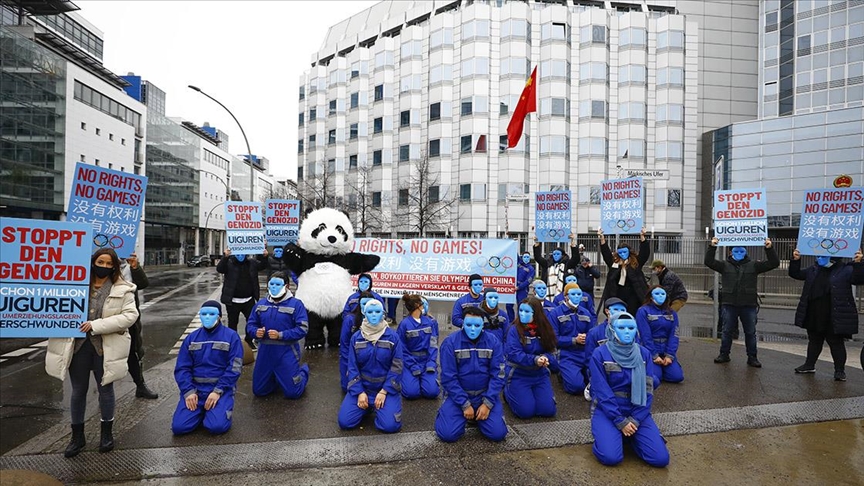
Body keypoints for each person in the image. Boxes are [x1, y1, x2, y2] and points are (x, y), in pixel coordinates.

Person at [46, 248, 138, 457]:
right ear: (92, 262)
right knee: (78, 392)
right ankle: (77, 437)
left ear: (115, 266)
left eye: (109, 264)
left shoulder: (123, 289)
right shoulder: (73, 284)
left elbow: (129, 316)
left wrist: (97, 325)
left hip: (105, 349)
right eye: (100, 262)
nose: (104, 267)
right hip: (77, 347)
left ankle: (106, 434)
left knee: (105, 390)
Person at [589, 313, 668, 468]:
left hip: (636, 409)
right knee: (611, 458)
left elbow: (648, 391)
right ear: (611, 329)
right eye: (621, 327)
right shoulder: (600, 354)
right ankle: (607, 437)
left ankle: (629, 437)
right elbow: (602, 392)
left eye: (631, 328)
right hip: (608, 410)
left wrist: (636, 419)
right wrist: (619, 420)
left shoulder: (644, 353)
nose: (627, 331)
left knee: (661, 459)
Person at [789, 249, 864, 381]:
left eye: (823, 256)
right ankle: (809, 365)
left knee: (836, 343)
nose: (819, 258)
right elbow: (796, 274)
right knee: (814, 340)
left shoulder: (845, 269)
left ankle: (840, 371)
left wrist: (858, 262)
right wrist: (796, 260)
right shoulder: (814, 269)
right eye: (818, 255)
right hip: (814, 312)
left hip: (834, 314)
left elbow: (858, 279)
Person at [435, 307, 507, 443]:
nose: (473, 329)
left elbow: (498, 375)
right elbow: (448, 378)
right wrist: (464, 404)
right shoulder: (450, 343)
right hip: (459, 396)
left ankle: (479, 416)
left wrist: (488, 403)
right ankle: (450, 414)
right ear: (462, 323)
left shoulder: (493, 342)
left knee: (498, 434)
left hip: (484, 395)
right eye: (468, 325)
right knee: (447, 435)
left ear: (483, 325)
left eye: (477, 325)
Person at [172, 301, 243, 435]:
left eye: (212, 314)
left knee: (216, 428)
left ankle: (217, 411)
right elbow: (182, 368)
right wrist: (188, 392)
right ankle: (203, 413)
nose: (207, 317)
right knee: (179, 428)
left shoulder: (231, 337)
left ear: (219, 316)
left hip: (219, 390)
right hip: (195, 391)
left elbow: (234, 368)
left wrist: (218, 391)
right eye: (204, 314)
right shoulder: (191, 338)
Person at [705, 238, 779, 367]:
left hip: (748, 304)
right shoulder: (724, 265)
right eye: (736, 250)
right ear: (730, 252)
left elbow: (774, 263)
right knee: (727, 331)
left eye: (741, 250)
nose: (739, 252)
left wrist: (769, 248)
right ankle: (724, 354)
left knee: (750, 332)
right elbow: (709, 261)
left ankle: (752, 357)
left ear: (746, 251)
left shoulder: (754, 265)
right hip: (729, 304)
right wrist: (712, 247)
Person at [339, 299, 403, 433]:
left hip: (385, 389)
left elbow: (397, 367)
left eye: (377, 311)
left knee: (390, 426)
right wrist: (360, 392)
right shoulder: (356, 338)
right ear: (364, 313)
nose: (374, 315)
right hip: (363, 388)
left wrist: (385, 391)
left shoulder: (393, 337)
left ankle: (381, 408)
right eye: (370, 312)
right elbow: (352, 367)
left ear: (383, 314)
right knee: (345, 423)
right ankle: (367, 407)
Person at [246, 272, 310, 398]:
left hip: (286, 351)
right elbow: (250, 324)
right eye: (272, 284)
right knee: (259, 391)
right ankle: (276, 377)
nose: (274, 287)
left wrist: (281, 335)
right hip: (265, 352)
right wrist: (255, 332)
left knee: (293, 393)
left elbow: (303, 328)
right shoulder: (260, 304)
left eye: (278, 284)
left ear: (286, 286)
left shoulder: (296, 304)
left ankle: (303, 372)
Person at [503, 298, 558, 419]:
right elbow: (514, 354)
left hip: (540, 374)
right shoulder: (514, 330)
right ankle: (507, 392)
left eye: (527, 311)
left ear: (536, 313)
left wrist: (546, 358)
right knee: (525, 413)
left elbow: (552, 351)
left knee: (548, 411)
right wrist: (535, 360)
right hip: (519, 374)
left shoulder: (545, 329)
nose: (522, 314)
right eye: (521, 310)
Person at [120, 252, 158, 399]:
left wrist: (135, 267)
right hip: (107, 316)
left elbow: (142, 284)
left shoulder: (128, 264)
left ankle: (140, 385)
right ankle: (104, 391)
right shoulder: (99, 262)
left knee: (133, 351)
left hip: (129, 316)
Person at [217, 248, 269, 349]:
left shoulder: (252, 263)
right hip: (233, 300)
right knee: (232, 322)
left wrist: (264, 256)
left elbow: (263, 265)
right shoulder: (229, 262)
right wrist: (225, 257)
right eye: (238, 254)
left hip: (248, 300)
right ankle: (233, 342)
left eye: (242, 254)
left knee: (251, 321)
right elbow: (220, 269)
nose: (240, 256)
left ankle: (249, 341)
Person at [547, 283, 594, 395]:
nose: (577, 296)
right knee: (576, 387)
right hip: (567, 355)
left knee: (596, 383)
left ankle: (579, 374)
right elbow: (553, 339)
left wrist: (587, 338)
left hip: (585, 353)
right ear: (566, 296)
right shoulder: (555, 313)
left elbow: (592, 334)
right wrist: (574, 340)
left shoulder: (586, 313)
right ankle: (562, 375)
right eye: (573, 294)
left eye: (579, 294)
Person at [584, 297, 631, 402]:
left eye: (623, 310)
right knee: (602, 398)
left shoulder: (631, 332)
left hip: (624, 369)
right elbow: (589, 360)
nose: (619, 313)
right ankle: (591, 386)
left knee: (653, 380)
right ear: (607, 311)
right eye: (616, 309)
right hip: (603, 371)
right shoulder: (594, 332)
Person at [635, 286, 683, 384]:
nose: (660, 296)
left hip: (666, 349)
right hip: (651, 349)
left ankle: (666, 367)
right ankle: (650, 367)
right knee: (656, 378)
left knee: (677, 377)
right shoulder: (643, 311)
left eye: (662, 294)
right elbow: (645, 336)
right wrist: (654, 356)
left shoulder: (672, 313)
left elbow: (674, 335)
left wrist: (670, 355)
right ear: (651, 297)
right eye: (657, 294)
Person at [597, 228, 651, 316]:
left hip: (634, 293)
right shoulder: (614, 263)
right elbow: (606, 253)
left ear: (629, 251)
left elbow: (644, 253)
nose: (622, 255)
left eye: (625, 252)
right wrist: (602, 238)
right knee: (619, 313)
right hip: (617, 292)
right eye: (620, 253)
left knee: (633, 313)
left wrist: (642, 237)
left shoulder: (635, 262)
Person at [397, 294, 440, 399]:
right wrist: (412, 366)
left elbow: (433, 345)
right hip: (410, 362)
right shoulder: (404, 325)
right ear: (418, 305)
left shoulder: (430, 322)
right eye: (422, 303)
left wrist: (431, 363)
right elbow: (401, 349)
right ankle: (408, 379)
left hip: (426, 361)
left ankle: (425, 380)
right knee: (411, 394)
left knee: (432, 393)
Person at [339, 291, 375, 392]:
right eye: (364, 304)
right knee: (348, 388)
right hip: (350, 356)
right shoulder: (349, 319)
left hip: (368, 356)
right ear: (359, 304)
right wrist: (349, 367)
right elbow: (344, 344)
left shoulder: (376, 319)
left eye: (369, 304)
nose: (366, 307)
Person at [532, 232, 580, 298]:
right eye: (554, 254)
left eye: (558, 254)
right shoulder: (547, 263)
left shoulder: (566, 264)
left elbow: (576, 259)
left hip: (562, 293)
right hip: (548, 293)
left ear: (562, 255)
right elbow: (538, 257)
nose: (556, 256)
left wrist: (573, 243)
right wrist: (537, 244)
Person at [509, 252, 536, 322]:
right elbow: (514, 252)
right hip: (512, 287)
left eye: (528, 257)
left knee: (520, 306)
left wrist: (519, 287)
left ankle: (519, 321)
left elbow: (528, 281)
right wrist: (514, 242)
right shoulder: (518, 264)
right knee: (508, 305)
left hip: (522, 290)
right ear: (522, 257)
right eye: (524, 257)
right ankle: (511, 321)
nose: (526, 259)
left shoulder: (531, 269)